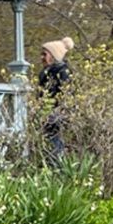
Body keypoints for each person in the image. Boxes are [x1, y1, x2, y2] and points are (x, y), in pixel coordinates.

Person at [36, 36, 74, 165]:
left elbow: (67, 95)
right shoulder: (47, 72)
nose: (42, 57)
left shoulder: (63, 72)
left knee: (55, 144)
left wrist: (56, 113)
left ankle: (58, 170)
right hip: (46, 114)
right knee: (48, 145)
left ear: (54, 55)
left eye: (45, 54)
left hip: (55, 116)